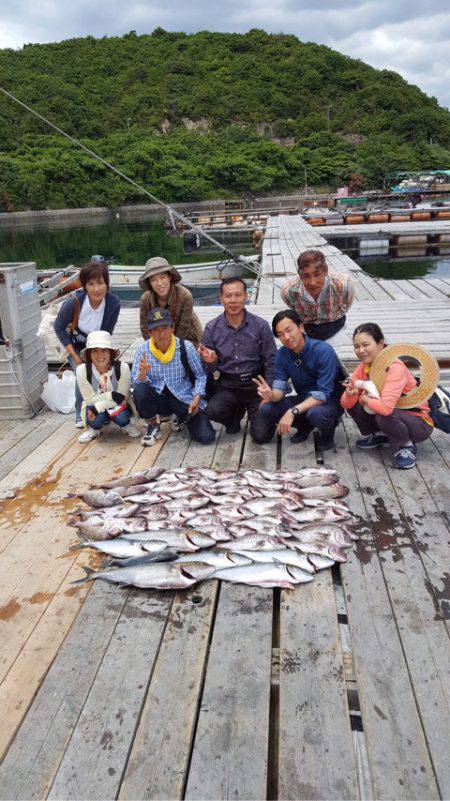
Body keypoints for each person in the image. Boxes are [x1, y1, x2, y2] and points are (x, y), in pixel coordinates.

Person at [340, 323, 434, 469]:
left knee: (382, 414)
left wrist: (365, 399)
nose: (361, 350)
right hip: (392, 415)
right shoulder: (364, 367)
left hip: (418, 423)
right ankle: (381, 435)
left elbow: (385, 409)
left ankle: (406, 446)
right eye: (357, 346)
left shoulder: (395, 368)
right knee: (354, 404)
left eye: (365, 345)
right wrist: (349, 394)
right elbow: (345, 404)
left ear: (380, 343)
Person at [253, 310, 343, 450]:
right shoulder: (282, 354)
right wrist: (270, 394)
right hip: (303, 399)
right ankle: (304, 426)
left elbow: (323, 394)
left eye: (289, 330)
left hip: (327, 402)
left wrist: (292, 411)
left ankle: (327, 437)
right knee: (266, 408)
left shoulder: (323, 350)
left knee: (316, 413)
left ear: (301, 327)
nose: (286, 337)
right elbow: (280, 388)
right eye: (281, 334)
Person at [199, 277, 276, 440]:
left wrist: (269, 393)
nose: (233, 300)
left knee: (262, 436)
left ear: (246, 297)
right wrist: (211, 362)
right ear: (221, 298)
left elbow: (271, 361)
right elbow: (208, 370)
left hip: (256, 385)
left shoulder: (261, 325)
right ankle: (233, 418)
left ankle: (256, 414)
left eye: (238, 295)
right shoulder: (211, 328)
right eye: (228, 296)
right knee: (212, 410)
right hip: (228, 385)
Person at [131, 307, 215, 447]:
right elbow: (135, 382)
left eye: (165, 328)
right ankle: (153, 424)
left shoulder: (185, 347)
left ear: (172, 327)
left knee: (206, 436)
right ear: (149, 332)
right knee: (140, 389)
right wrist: (143, 374)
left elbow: (201, 375)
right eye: (156, 329)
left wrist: (197, 397)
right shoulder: (142, 350)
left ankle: (179, 417)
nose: (161, 333)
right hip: (158, 399)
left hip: (183, 397)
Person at [54, 259, 121, 427]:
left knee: (106, 372)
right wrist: (76, 356)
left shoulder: (114, 303)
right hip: (75, 344)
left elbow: (107, 332)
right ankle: (80, 413)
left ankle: (104, 408)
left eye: (100, 283)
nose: (96, 288)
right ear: (84, 285)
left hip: (98, 344)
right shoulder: (73, 302)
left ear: (107, 283)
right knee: (82, 373)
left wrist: (102, 356)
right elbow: (59, 327)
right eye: (91, 284)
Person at [76, 331, 140, 444]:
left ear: (111, 352)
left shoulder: (122, 368)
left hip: (119, 406)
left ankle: (125, 425)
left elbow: (121, 398)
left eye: (104, 350)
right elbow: (90, 400)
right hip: (94, 406)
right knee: (95, 419)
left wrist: (100, 405)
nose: (100, 355)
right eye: (94, 350)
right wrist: (110, 395)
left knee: (122, 418)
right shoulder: (82, 370)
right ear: (89, 354)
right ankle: (94, 429)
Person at [280, 249, 354, 342]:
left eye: (317, 275)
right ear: (300, 275)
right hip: (307, 328)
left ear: (325, 271)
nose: (313, 283)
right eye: (306, 276)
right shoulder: (288, 291)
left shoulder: (343, 285)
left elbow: (347, 304)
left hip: (335, 324)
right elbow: (292, 306)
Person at [139, 257, 202, 347]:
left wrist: (170, 349)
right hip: (158, 341)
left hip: (187, 337)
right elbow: (145, 328)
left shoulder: (185, 296)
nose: (159, 283)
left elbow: (183, 328)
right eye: (153, 280)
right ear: (149, 282)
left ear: (170, 276)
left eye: (162, 277)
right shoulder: (145, 299)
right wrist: (155, 347)